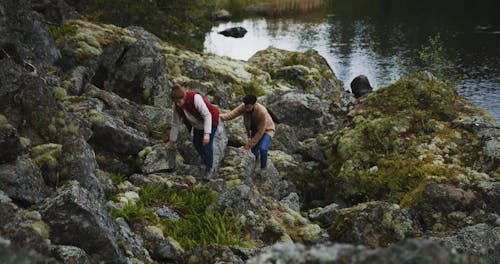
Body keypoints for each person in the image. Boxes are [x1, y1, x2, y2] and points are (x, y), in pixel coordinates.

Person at [166, 84, 220, 177]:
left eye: (179, 101)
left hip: (210, 121)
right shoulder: (176, 106)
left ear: (184, 97)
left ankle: (209, 168)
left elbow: (207, 115)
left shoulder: (195, 98)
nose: (178, 104)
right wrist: (172, 141)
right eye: (176, 102)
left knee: (207, 144)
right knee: (197, 143)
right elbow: (175, 123)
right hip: (197, 125)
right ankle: (205, 161)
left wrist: (207, 133)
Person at [220, 95, 275, 170]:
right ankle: (255, 165)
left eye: (249, 107)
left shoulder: (262, 112)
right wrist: (218, 116)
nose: (247, 109)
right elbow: (231, 115)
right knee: (254, 152)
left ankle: (263, 168)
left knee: (263, 148)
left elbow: (260, 132)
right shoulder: (243, 107)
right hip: (255, 130)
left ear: (254, 104)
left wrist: (248, 145)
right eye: (246, 107)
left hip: (267, 130)